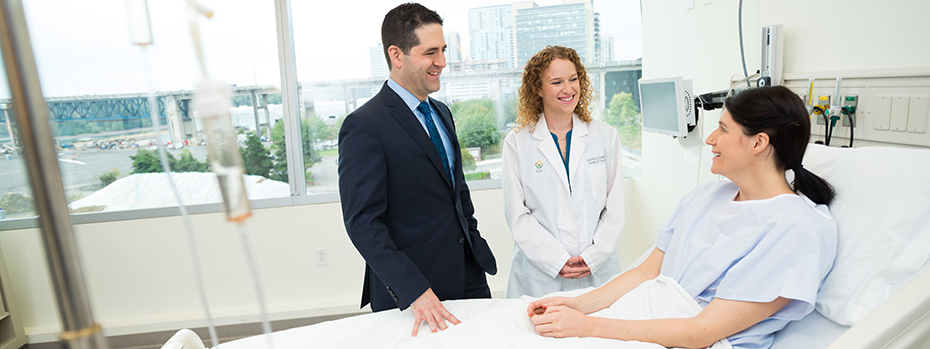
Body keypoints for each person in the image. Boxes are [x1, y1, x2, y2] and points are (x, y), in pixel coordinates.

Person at [526, 86, 838, 349]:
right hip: (643, 317)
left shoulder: (795, 229)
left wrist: (586, 327)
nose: (710, 138)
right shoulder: (705, 197)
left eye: (724, 129)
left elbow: (702, 331)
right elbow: (645, 273)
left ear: (758, 143)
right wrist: (578, 305)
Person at [337, 2, 497, 337]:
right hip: (416, 293)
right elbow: (363, 224)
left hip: (468, 274)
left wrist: (473, 238)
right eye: (430, 52)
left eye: (443, 50)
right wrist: (414, 291)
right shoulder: (365, 125)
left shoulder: (441, 112)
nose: (441, 61)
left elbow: (456, 191)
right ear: (397, 55)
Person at [502, 46, 624, 298]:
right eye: (556, 82)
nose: (568, 89)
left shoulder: (605, 136)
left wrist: (593, 256)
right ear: (537, 89)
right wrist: (556, 260)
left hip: (597, 271)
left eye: (573, 79)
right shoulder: (517, 143)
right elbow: (517, 215)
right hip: (541, 277)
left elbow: (615, 208)